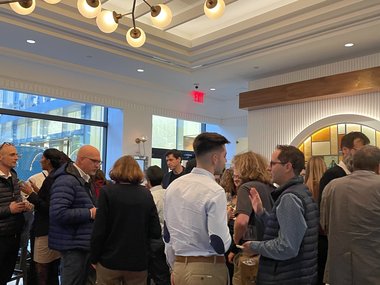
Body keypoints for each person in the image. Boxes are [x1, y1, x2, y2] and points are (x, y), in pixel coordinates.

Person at [241, 145, 319, 285]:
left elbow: (287, 247)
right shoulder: (300, 191)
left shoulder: (290, 197)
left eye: (273, 163)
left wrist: (254, 246)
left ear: (288, 166)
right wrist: (261, 213)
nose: (268, 168)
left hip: (286, 276)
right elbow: (287, 230)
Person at [164, 132, 232, 285]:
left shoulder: (173, 186)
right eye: (224, 156)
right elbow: (220, 243)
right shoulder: (214, 190)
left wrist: (173, 266)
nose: (226, 160)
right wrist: (225, 220)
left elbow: (168, 235)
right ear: (215, 158)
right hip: (206, 270)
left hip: (179, 267)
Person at [90, 156, 161, 285]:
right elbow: (155, 231)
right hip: (138, 262)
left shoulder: (107, 192)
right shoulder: (145, 194)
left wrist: (94, 257)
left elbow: (99, 229)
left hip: (109, 260)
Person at [320, 145, 380, 285]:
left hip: (339, 269)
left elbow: (324, 224)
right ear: (378, 166)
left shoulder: (332, 186)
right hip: (373, 268)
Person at [49, 145, 101, 285]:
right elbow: (58, 213)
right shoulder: (67, 180)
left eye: (99, 162)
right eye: (94, 161)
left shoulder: (84, 179)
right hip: (73, 246)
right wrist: (90, 213)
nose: (97, 165)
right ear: (81, 159)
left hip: (81, 243)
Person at [20, 149, 70, 285]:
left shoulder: (52, 179)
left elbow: (48, 207)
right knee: (52, 268)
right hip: (55, 229)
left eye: (42, 158)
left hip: (44, 229)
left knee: (42, 268)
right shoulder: (60, 177)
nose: (39, 160)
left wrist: (31, 194)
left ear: (48, 161)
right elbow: (49, 199)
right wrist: (37, 191)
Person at [232, 151, 274, 285]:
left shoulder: (246, 188)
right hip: (269, 252)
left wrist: (235, 240)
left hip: (250, 253)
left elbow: (242, 221)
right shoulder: (270, 188)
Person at [0, 142, 26, 285]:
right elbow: (9, 207)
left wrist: (23, 205)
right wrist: (9, 209)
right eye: (12, 154)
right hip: (1, 236)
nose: (16, 158)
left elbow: (15, 200)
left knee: (6, 275)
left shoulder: (14, 176)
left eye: (17, 154)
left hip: (14, 234)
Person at [145, 165, 171, 285]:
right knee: (165, 276)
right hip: (170, 240)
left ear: (148, 180)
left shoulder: (149, 197)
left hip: (154, 241)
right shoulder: (169, 194)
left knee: (156, 276)